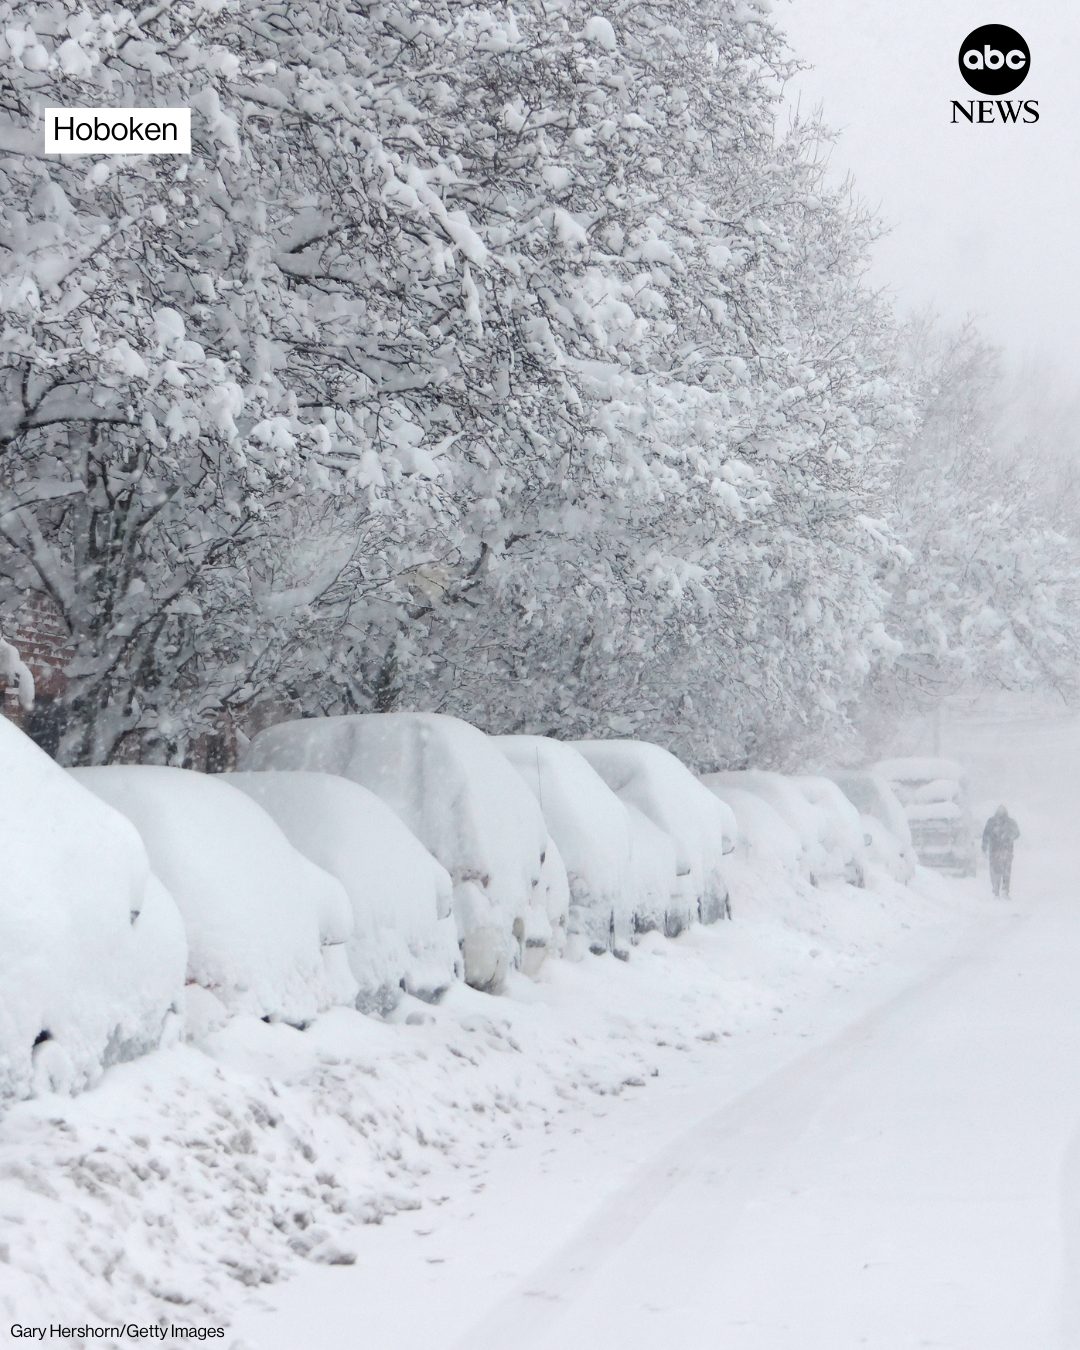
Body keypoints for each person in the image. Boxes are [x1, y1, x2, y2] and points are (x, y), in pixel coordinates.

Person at [982, 805, 1020, 898]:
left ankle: (997, 890)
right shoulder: (1010, 822)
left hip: (996, 851)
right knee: (1006, 871)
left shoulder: (991, 822)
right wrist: (1010, 837)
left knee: (996, 871)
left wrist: (984, 846)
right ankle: (1004, 890)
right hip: (1006, 850)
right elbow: (1017, 833)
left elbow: (985, 835)